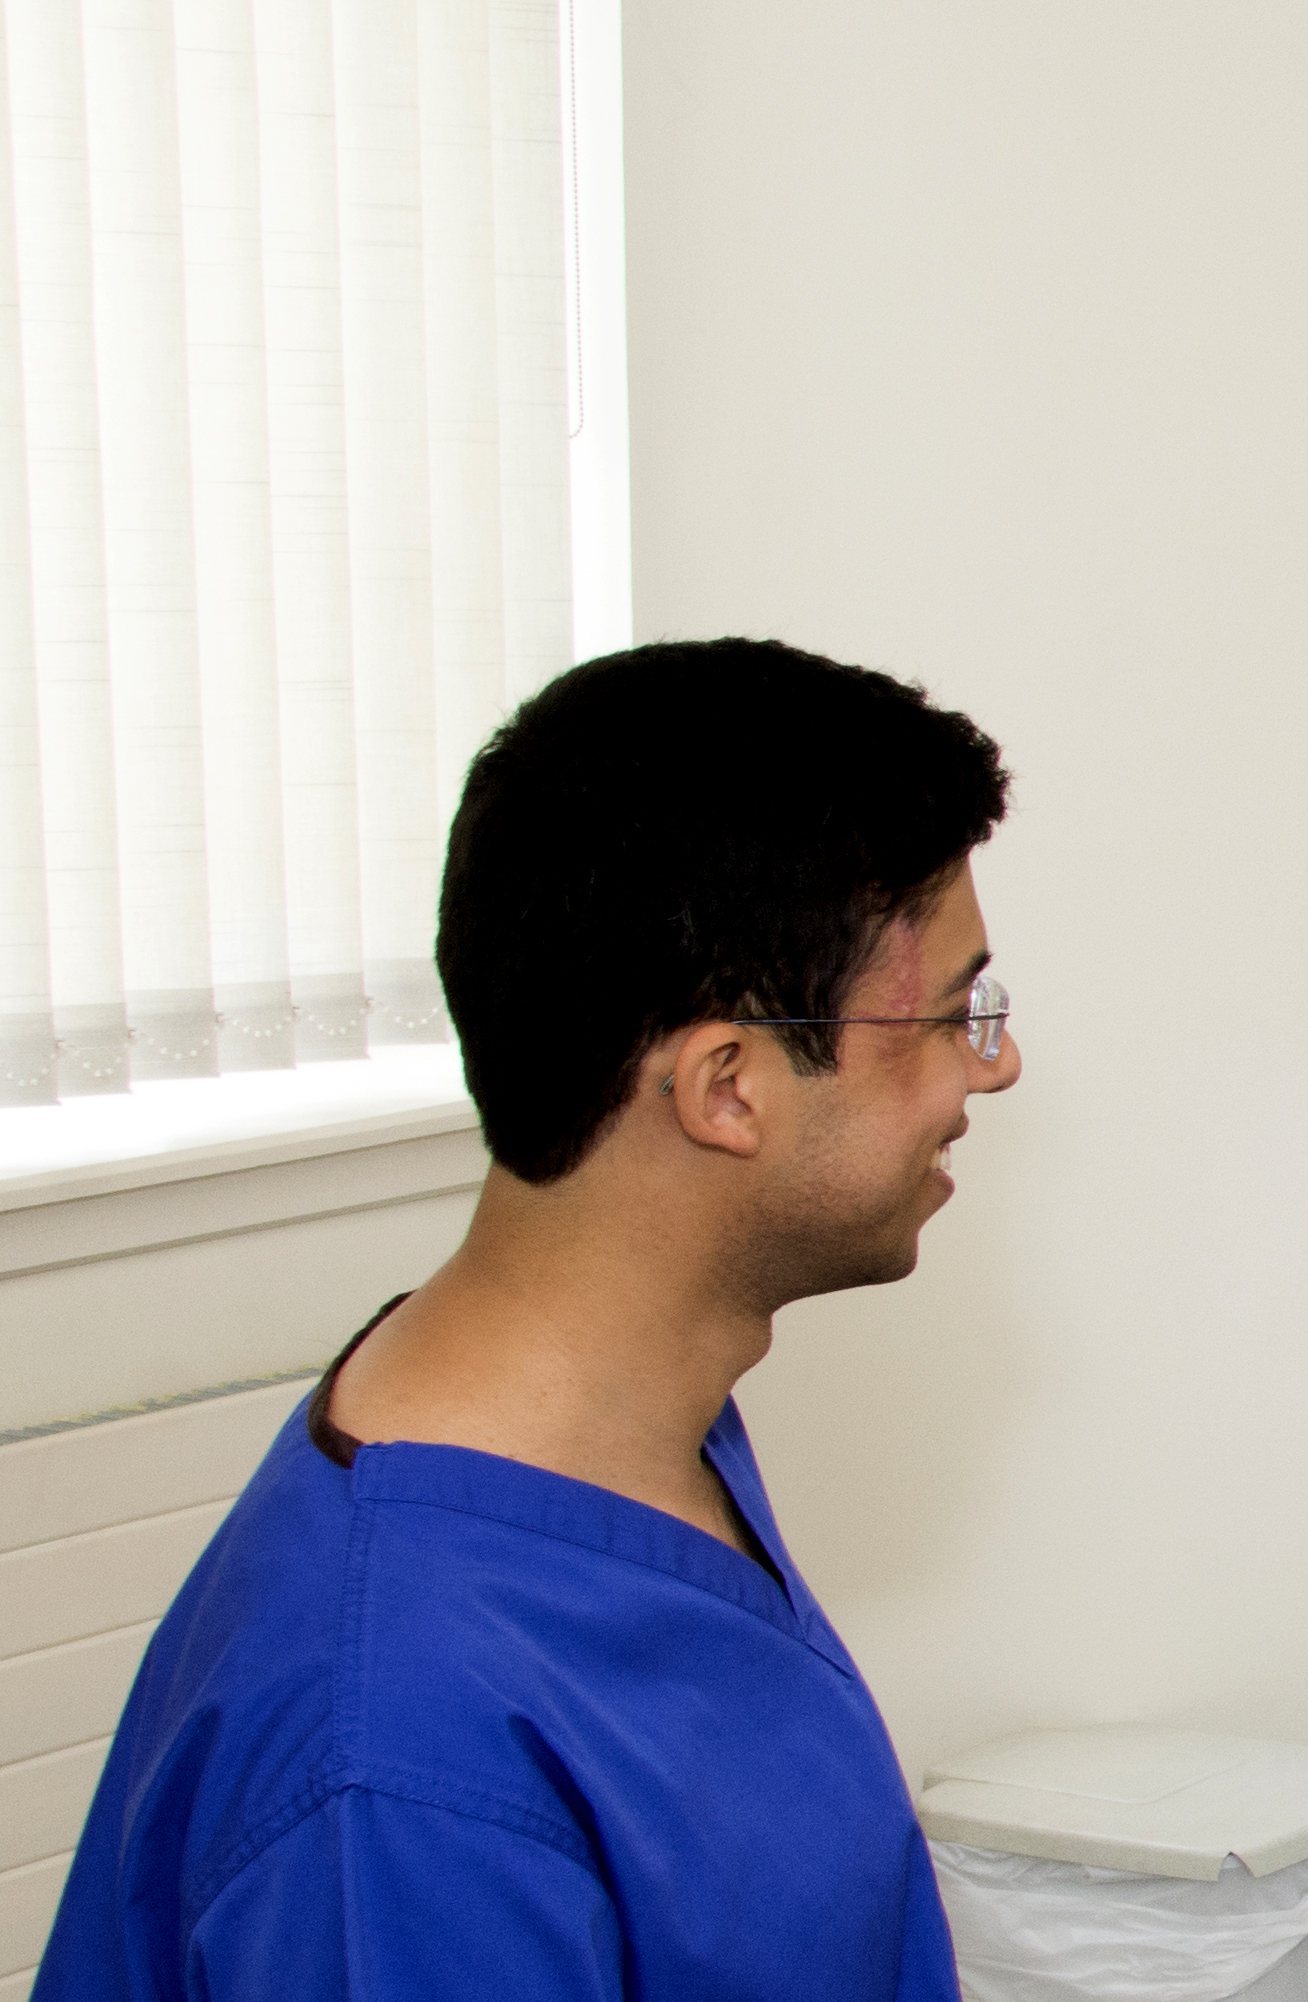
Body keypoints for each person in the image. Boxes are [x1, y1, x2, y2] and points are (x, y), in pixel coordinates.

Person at [31, 640, 1021, 2000]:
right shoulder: (404, 1776)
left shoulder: (613, 1425)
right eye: (956, 1014)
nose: (993, 1064)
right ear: (728, 1087)